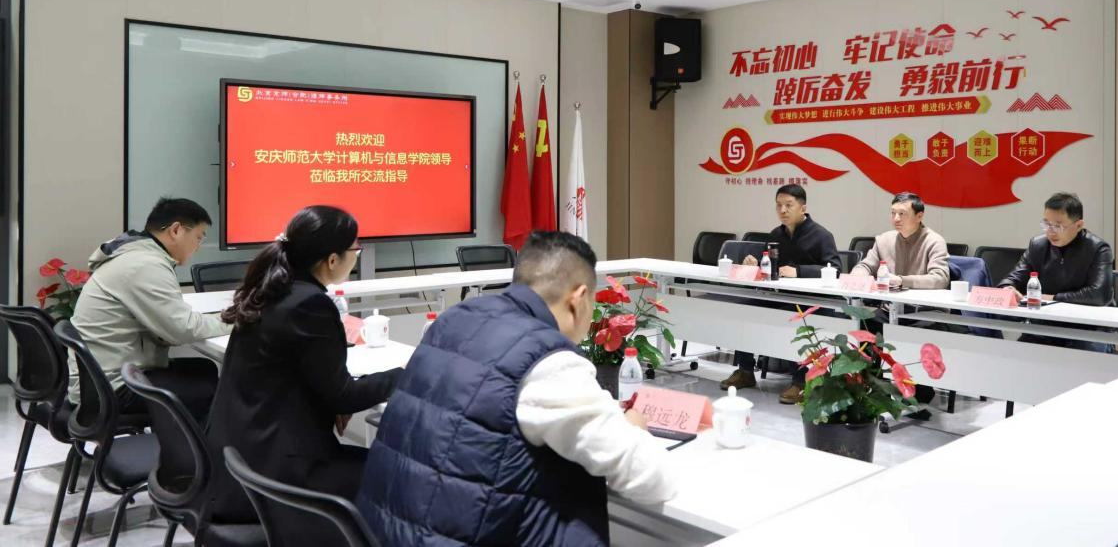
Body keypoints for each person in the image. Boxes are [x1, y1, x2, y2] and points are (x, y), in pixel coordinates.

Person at [357, 231, 676, 547]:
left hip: (387, 532)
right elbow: (652, 479)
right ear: (578, 300)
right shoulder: (548, 362)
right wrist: (635, 429)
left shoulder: (453, 319)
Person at [205, 206, 402, 543]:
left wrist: (331, 401)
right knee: (396, 474)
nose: (357, 255)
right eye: (355, 248)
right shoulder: (310, 304)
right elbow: (343, 395)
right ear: (332, 260)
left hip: (240, 459)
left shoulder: (272, 291)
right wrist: (404, 376)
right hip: (277, 475)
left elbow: (303, 380)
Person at [71, 197, 229, 420]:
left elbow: (170, 327)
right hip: (111, 389)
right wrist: (233, 320)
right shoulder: (145, 265)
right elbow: (183, 329)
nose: (198, 246)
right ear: (176, 230)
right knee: (214, 391)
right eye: (198, 237)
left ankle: (183, 438)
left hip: (99, 378)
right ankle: (188, 442)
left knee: (204, 369)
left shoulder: (135, 254)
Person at [722, 184, 843, 404]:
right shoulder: (776, 234)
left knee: (796, 318)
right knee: (746, 308)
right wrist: (755, 263)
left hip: (813, 301)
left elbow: (835, 269)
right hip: (781, 296)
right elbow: (770, 265)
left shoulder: (822, 235)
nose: (783, 210)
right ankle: (745, 370)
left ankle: (801, 381)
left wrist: (799, 272)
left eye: (788, 205)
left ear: (803, 208)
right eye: (778, 205)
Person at [998, 192, 1115, 352]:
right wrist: (1008, 288)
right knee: (1014, 355)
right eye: (1046, 224)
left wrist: (1053, 298)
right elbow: (1014, 277)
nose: (1050, 231)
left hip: (1087, 330)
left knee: (1087, 354)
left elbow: (1098, 294)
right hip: (1046, 326)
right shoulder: (1038, 246)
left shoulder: (1098, 249)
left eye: (1058, 226)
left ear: (1079, 225)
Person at [850, 192, 950, 290]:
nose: (896, 219)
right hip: (888, 299)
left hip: (922, 300)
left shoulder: (934, 241)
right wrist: (859, 273)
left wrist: (902, 281)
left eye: (902, 213)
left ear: (919, 216)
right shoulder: (883, 240)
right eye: (893, 213)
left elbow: (940, 279)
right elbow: (866, 266)